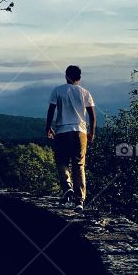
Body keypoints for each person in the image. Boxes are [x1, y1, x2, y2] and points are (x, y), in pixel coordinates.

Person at [46, 65, 96, 212]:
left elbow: (51, 110)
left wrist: (48, 128)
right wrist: (91, 133)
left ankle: (67, 187)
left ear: (66, 75)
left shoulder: (58, 90)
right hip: (80, 132)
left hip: (62, 131)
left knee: (61, 161)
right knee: (79, 164)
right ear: (79, 78)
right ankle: (79, 201)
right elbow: (92, 117)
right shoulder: (85, 93)